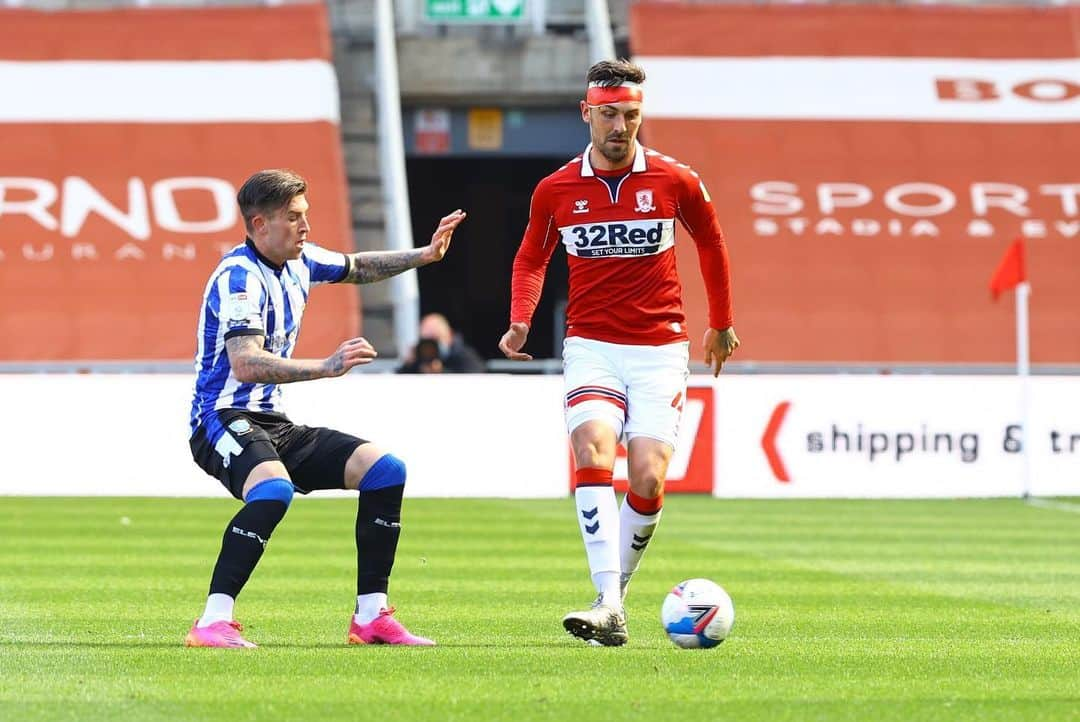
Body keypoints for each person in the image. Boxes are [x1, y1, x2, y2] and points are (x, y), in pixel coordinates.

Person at [498, 60, 739, 646]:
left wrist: (722, 323)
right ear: (587, 112)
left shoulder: (675, 180)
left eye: (630, 115)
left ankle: (616, 599)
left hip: (660, 347)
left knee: (650, 477)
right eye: (608, 114)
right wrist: (521, 319)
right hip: (592, 345)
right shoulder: (555, 189)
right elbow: (532, 257)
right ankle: (606, 600)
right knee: (593, 447)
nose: (619, 126)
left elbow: (710, 241)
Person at [185, 169, 466, 648]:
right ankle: (212, 621)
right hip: (221, 418)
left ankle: (371, 617)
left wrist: (423, 256)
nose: (305, 227)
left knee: (384, 470)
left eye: (305, 216)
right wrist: (327, 366)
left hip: (273, 422)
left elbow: (358, 266)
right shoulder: (239, 279)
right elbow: (246, 363)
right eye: (293, 218)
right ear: (259, 225)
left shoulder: (300, 261)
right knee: (273, 490)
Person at [397, 313, 486, 374]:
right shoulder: (417, 361)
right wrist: (408, 365)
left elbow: (475, 380)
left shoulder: (466, 357)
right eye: (426, 341)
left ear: (449, 335)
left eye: (435, 338)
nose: (430, 347)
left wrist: (442, 372)